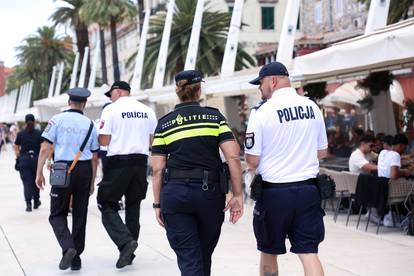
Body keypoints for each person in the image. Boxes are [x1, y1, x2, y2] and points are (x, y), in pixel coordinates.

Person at [151, 70, 244, 276]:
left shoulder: (164, 124)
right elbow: (233, 157)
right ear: (199, 90)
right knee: (203, 255)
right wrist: (237, 195)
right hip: (209, 195)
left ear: (178, 91)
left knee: (190, 259)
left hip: (174, 196)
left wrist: (157, 204)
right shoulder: (214, 117)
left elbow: (158, 169)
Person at [244, 61, 327, 276]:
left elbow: (252, 160)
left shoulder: (262, 112)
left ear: (272, 81)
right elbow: (322, 152)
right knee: (309, 252)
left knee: (269, 251)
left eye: (260, 84)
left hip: (274, 193)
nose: (260, 89)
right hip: (308, 191)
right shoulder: (312, 107)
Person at [36, 88, 99, 271]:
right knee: (80, 215)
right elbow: (95, 156)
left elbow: (45, 148)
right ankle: (76, 258)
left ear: (69, 102)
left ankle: (68, 247)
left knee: (57, 213)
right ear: (84, 104)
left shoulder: (57, 120)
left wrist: (39, 172)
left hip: (62, 169)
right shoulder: (89, 124)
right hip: (85, 169)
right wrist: (92, 180)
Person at [97, 81, 157, 269]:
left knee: (106, 203)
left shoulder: (111, 110)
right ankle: (128, 252)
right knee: (133, 206)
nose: (110, 97)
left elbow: (104, 140)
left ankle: (125, 242)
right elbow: (153, 139)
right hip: (140, 163)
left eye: (111, 93)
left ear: (119, 92)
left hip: (119, 163)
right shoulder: (147, 110)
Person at [14, 114, 42, 212]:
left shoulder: (20, 134)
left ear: (25, 122)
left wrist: (18, 157)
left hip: (24, 159)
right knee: (36, 180)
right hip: (36, 159)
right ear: (34, 122)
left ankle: (28, 204)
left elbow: (16, 147)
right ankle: (36, 201)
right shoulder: (39, 133)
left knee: (27, 182)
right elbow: (43, 148)